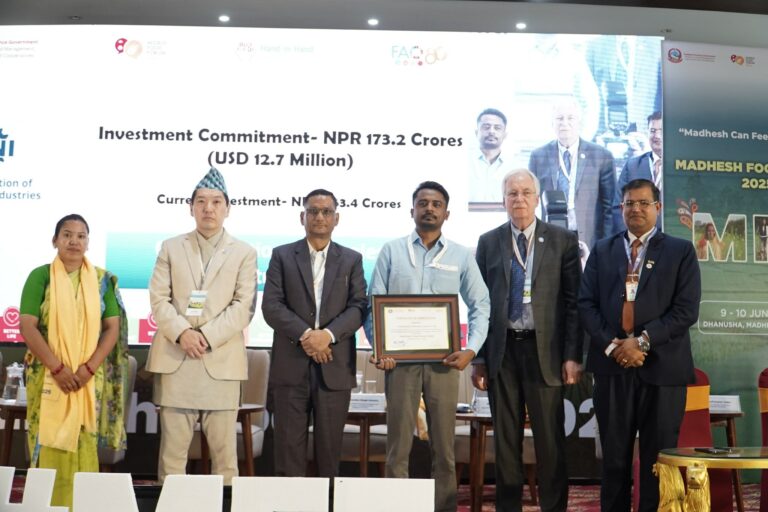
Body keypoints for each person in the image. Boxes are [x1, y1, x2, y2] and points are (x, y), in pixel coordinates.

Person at [365, 181, 490, 512]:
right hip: (399, 365)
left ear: (447, 214)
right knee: (398, 448)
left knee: (444, 449)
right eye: (423, 203)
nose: (429, 209)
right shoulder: (391, 251)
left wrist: (471, 349)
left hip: (444, 365)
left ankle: (444, 508)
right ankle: (396, 509)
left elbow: (481, 305)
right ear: (412, 211)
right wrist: (379, 350)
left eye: (436, 204)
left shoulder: (461, 255)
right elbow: (373, 304)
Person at [578, 178, 701, 512]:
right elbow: (586, 304)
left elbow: (686, 311)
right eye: (629, 203)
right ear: (621, 208)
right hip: (612, 367)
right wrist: (613, 347)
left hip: (662, 370)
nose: (636, 209)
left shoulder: (680, 251)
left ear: (657, 208)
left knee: (658, 462)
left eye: (644, 203)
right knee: (614, 460)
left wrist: (642, 342)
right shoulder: (602, 250)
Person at [473, 169, 582, 512]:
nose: (518, 199)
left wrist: (572, 355)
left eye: (525, 193)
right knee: (506, 442)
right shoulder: (488, 242)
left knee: (549, 441)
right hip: (502, 352)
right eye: (512, 193)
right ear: (503, 201)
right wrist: (479, 357)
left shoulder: (563, 240)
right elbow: (480, 305)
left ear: (537, 199)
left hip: (545, 352)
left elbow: (574, 303)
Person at [146, 167, 257, 484]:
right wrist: (182, 333)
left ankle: (225, 505)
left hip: (221, 363)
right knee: (172, 459)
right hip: (176, 360)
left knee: (225, 461)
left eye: (216, 202)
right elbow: (158, 298)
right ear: (191, 207)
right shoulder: (170, 247)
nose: (209, 208)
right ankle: (172, 505)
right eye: (202, 202)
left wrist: (205, 337)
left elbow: (244, 307)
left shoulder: (245, 253)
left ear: (228, 208)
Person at [19, 214, 129, 508]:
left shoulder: (102, 281)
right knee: (48, 444)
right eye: (67, 235)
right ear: (55, 241)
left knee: (84, 444)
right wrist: (58, 368)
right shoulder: (40, 276)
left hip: (87, 379)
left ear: (88, 243)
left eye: (81, 236)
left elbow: (112, 328)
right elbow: (27, 326)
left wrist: (88, 369)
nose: (74, 241)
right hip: (48, 376)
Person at [262, 188, 367, 477]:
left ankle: (328, 500)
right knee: (288, 453)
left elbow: (359, 306)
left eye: (326, 212)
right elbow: (271, 306)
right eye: (313, 211)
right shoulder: (282, 255)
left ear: (336, 218)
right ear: (302, 216)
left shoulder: (352, 259)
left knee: (329, 455)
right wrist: (308, 336)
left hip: (334, 367)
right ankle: (290, 501)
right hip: (290, 367)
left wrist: (327, 336)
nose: (320, 217)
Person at [529, 97, 615, 250]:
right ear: (552, 123)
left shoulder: (601, 156)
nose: (564, 123)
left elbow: (609, 207)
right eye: (559, 118)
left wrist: (606, 245)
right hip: (550, 237)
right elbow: (530, 201)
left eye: (570, 118)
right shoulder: (538, 156)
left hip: (589, 238)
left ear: (580, 122)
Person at [613, 112, 663, 232]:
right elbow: (618, 206)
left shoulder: (683, 166)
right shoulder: (632, 165)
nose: (657, 136)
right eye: (652, 131)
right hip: (636, 237)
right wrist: (629, 237)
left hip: (671, 238)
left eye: (661, 131)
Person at [468, 108, 514, 205]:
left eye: (497, 128)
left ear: (505, 135)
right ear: (476, 132)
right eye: (486, 127)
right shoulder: (463, 162)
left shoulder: (515, 167)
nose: (491, 131)